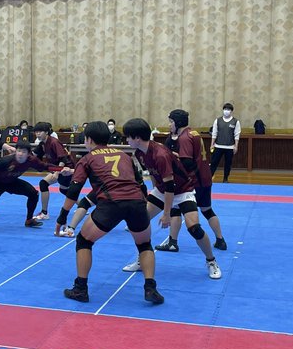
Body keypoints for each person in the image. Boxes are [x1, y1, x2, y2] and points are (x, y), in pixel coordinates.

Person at [55, 121, 163, 304]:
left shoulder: (87, 159)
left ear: (89, 140)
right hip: (137, 201)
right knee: (145, 245)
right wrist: (142, 207)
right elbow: (141, 185)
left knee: (84, 241)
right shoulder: (125, 155)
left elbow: (74, 191)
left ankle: (80, 289)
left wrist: (62, 217)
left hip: (111, 203)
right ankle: (150, 288)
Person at [122, 118, 222, 279]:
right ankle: (142, 259)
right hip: (162, 190)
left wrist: (166, 214)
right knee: (138, 223)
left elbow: (171, 187)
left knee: (194, 228)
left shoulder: (160, 154)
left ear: (137, 138)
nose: (126, 140)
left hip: (182, 190)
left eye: (128, 137)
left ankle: (211, 261)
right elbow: (154, 175)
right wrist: (154, 192)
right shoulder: (140, 153)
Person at [156, 110, 228, 252]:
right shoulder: (194, 133)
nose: (169, 125)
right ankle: (220, 240)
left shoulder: (184, 138)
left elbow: (187, 163)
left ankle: (173, 242)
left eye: (171, 122)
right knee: (207, 210)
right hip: (205, 178)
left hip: (193, 180)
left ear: (178, 123)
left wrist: (173, 158)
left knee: (177, 210)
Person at [0, 141, 73, 230]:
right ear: (15, 151)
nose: (20, 154)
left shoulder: (31, 160)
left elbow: (45, 166)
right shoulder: (6, 160)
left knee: (33, 194)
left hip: (12, 182)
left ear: (28, 153)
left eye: (24, 152)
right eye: (19, 151)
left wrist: (61, 169)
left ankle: (29, 220)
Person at [32, 121, 75, 220]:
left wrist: (56, 173)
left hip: (65, 170)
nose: (38, 134)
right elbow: (33, 155)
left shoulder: (54, 142)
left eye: (40, 132)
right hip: (57, 168)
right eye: (36, 132)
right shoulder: (42, 143)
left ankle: (44, 213)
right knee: (62, 189)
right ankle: (82, 205)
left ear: (46, 132)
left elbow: (63, 159)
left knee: (46, 184)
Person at [210, 102, 241, 183]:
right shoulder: (217, 120)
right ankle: (209, 177)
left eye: (228, 109)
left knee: (228, 164)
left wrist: (236, 146)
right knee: (214, 162)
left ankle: (225, 179)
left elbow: (237, 134)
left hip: (230, 147)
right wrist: (212, 144)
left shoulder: (236, 121)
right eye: (225, 109)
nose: (226, 111)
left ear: (231, 111)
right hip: (218, 146)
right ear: (223, 110)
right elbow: (214, 133)